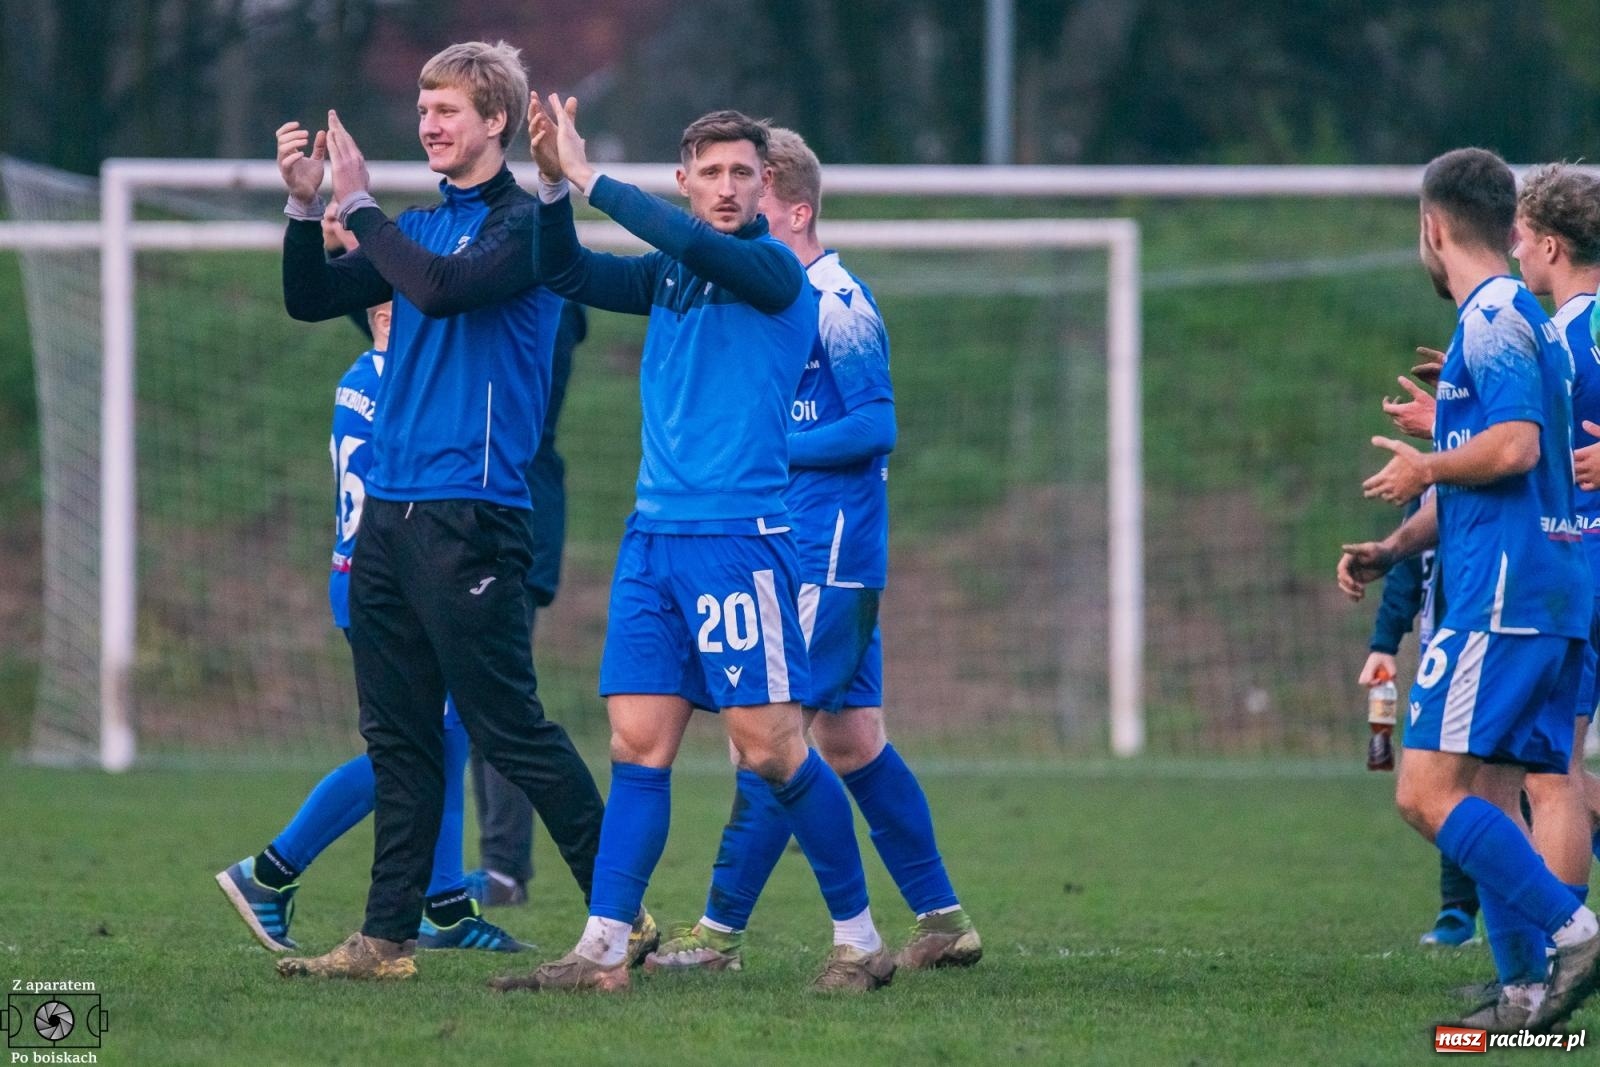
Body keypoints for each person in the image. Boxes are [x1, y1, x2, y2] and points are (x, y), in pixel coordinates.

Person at [490, 101, 887, 994]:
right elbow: (564, 271)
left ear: (765, 187)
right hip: (653, 538)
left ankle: (859, 938)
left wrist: (591, 177)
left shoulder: (773, 272)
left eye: (743, 172)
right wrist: (552, 186)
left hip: (738, 541)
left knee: (772, 748)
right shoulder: (668, 277)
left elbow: (694, 245)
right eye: (709, 172)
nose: (727, 186)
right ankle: (602, 947)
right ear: (685, 178)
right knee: (636, 743)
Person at [271, 40, 622, 982]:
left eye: (447, 110)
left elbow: (445, 290)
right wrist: (308, 206)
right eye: (422, 109)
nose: (427, 124)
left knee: (509, 728)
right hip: (390, 512)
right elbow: (311, 297)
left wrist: (360, 206)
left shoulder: (525, 228)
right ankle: (387, 938)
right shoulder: (417, 224)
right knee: (398, 736)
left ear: (496, 122)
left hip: (475, 512)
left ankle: (618, 919)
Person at [642, 126, 979, 976]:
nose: (735, 202)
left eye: (752, 189)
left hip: (829, 547)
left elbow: (877, 424)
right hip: (808, 545)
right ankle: (942, 919)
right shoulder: (763, 298)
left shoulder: (834, 297)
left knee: (771, 736)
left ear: (790, 206)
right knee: (856, 740)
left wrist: (766, 449)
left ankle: (717, 937)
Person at [1336, 147, 1600, 1033]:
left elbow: (1518, 448)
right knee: (1487, 794)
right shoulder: (1523, 319)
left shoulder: (1492, 317)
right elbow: (1509, 473)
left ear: (1433, 227)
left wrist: (1425, 465)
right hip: (1548, 590)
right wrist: (1394, 545)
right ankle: (1527, 996)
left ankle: (1574, 930)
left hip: (1502, 599)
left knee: (1424, 791)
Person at [215, 301, 527, 955]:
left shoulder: (360, 374)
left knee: (444, 738)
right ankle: (270, 871)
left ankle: (442, 907)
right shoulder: (408, 385)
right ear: (387, 315)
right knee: (410, 750)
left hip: (364, 575)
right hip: (398, 587)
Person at [466, 299, 588, 909]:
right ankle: (490, 866)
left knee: (499, 703)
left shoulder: (546, 300)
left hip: (511, 519)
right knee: (467, 702)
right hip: (468, 514)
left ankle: (505, 867)